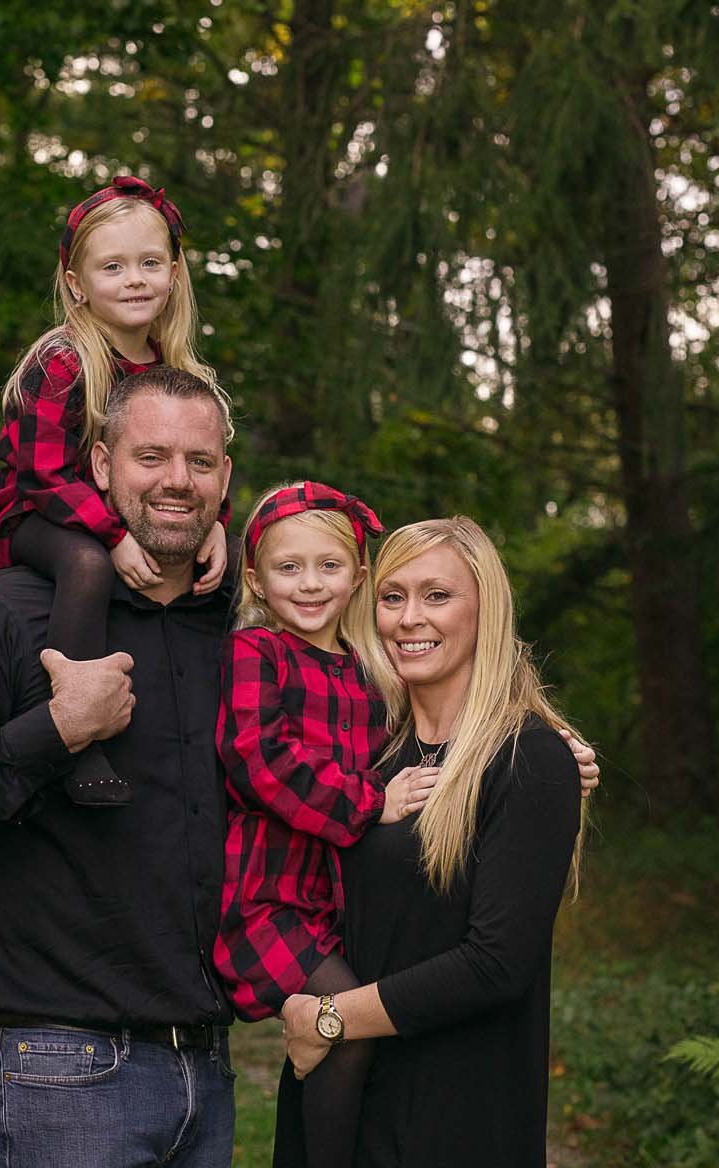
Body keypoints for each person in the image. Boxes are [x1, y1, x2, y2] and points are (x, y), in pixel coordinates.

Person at [0, 368, 239, 1167]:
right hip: (58, 1067)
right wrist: (56, 729)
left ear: (226, 477)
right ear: (103, 466)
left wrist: (524, 752)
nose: (177, 481)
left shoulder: (240, 627)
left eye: (201, 461)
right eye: (151, 456)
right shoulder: (3, 613)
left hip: (208, 1070)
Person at [273, 517, 589, 1168]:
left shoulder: (526, 759)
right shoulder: (365, 762)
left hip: (455, 1119)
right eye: (392, 597)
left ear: (486, 610)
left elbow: (496, 964)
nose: (409, 618)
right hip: (339, 1109)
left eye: (437, 595)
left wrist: (328, 1019)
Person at [213, 482, 444, 1168]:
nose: (310, 585)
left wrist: (557, 743)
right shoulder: (257, 653)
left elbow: (461, 703)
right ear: (255, 577)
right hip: (263, 900)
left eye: (330, 567)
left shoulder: (372, 671)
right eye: (289, 568)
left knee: (333, 1043)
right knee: (347, 1025)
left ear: (360, 575)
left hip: (341, 900)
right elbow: (257, 760)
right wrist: (371, 803)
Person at [0, 175, 229, 807]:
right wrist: (113, 537)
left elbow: (200, 463)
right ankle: (72, 725)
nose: (135, 279)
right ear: (76, 285)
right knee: (87, 568)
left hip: (110, 513)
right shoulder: (64, 361)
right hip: (34, 513)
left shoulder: (174, 369)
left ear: (174, 272)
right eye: (113, 266)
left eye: (150, 263)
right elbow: (41, 476)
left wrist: (219, 522)